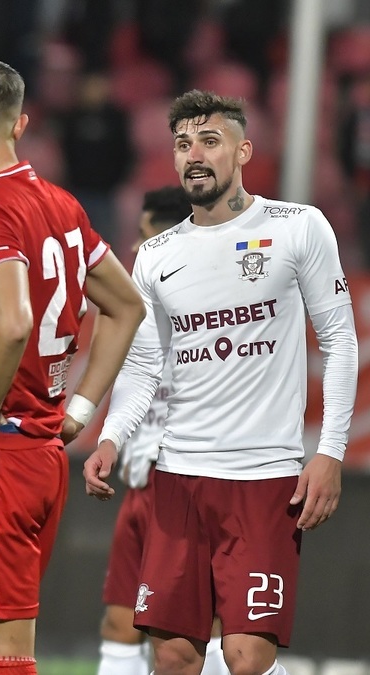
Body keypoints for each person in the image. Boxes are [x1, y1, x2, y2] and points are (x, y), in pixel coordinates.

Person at [84, 90, 357, 675]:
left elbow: (339, 341)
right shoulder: (156, 254)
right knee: (175, 656)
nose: (194, 155)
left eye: (210, 141)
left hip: (265, 478)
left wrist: (329, 451)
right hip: (178, 477)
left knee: (245, 656)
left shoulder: (299, 227)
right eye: (183, 144)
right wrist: (111, 436)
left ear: (243, 151)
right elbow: (142, 363)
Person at [0, 57, 146, 675]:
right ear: (20, 124)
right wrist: (80, 407)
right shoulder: (62, 205)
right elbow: (126, 306)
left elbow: (14, 319)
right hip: (36, 448)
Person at [95, 187, 236, 675]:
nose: (137, 249)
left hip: (183, 481)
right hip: (139, 486)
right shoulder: (140, 310)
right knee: (119, 624)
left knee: (195, 635)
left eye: (146, 237)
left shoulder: (212, 310)